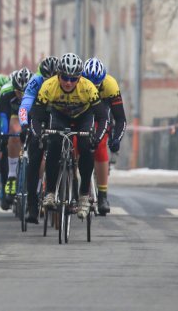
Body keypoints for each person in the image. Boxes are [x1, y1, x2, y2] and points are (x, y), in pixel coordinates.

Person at [32, 53, 108, 219]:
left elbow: (102, 117)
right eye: (65, 77)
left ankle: (83, 196)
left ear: (79, 78)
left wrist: (98, 137)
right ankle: (50, 192)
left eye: (73, 79)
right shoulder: (49, 86)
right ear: (58, 75)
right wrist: (38, 134)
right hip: (60, 116)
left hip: (83, 116)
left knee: (86, 147)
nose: (68, 82)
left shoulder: (88, 87)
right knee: (53, 145)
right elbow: (36, 115)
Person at [82, 57, 127, 216]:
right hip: (83, 113)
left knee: (101, 147)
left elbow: (120, 118)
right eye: (90, 84)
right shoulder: (78, 83)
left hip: (102, 115)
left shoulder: (110, 85)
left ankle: (102, 195)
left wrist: (116, 139)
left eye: (97, 85)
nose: (93, 88)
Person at [17, 56, 59, 223]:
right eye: (46, 78)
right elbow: (25, 105)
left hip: (57, 114)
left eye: (53, 78)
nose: (49, 81)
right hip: (39, 115)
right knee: (35, 156)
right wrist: (24, 125)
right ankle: (32, 206)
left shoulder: (63, 81)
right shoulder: (36, 81)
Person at [0, 67, 33, 210]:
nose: (21, 95)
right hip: (11, 116)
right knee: (6, 145)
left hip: (31, 118)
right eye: (18, 92)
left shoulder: (37, 91)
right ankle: (9, 182)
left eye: (24, 92)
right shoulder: (6, 92)